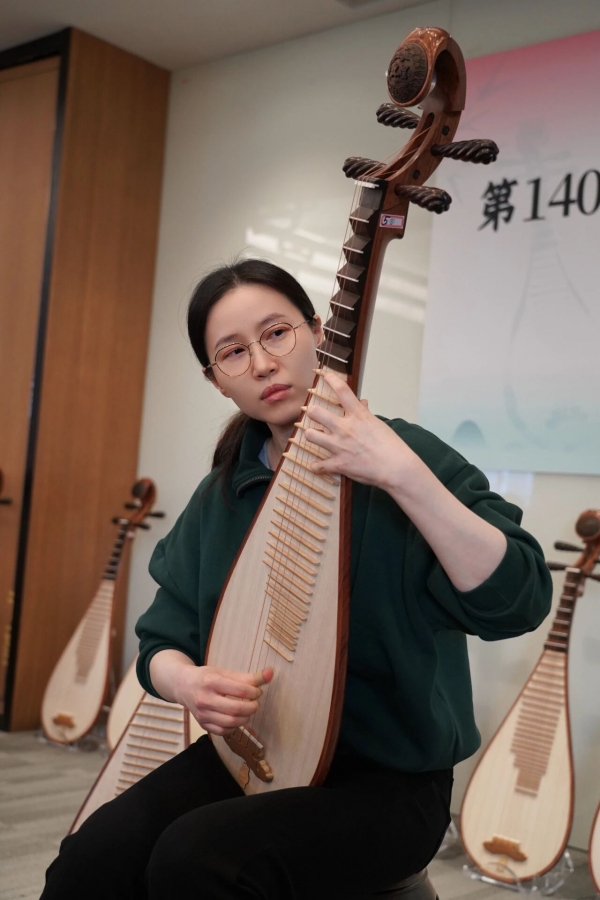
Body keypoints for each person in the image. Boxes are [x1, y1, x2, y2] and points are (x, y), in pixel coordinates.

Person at [41, 258, 552, 900]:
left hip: (390, 783)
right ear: (216, 381)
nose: (262, 363)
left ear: (317, 332)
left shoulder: (407, 456)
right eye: (233, 352)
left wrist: (401, 475)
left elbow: (520, 600)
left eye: (276, 333)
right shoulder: (223, 494)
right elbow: (161, 641)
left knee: (198, 860)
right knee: (90, 858)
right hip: (256, 754)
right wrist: (189, 683)